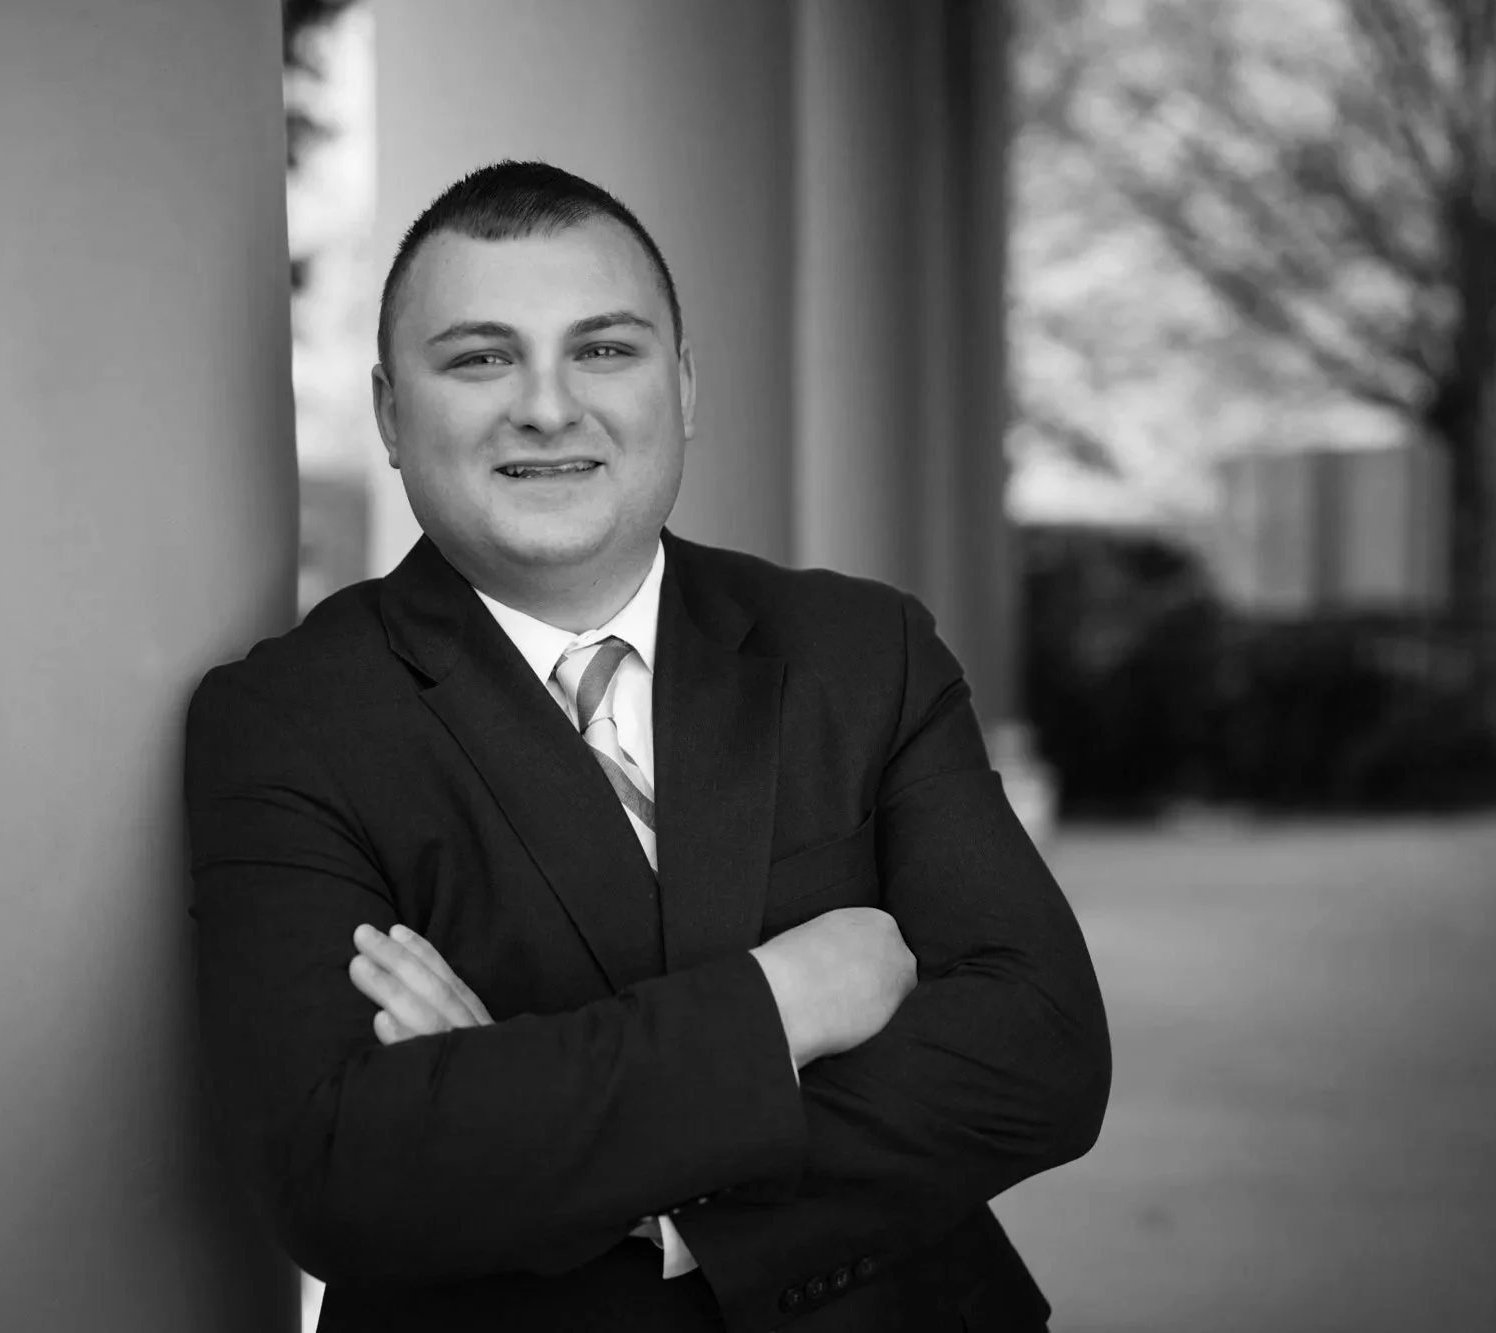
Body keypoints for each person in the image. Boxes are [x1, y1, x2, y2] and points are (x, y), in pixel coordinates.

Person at [183, 160, 1111, 1333]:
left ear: (681, 388)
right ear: (387, 413)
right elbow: (342, 1169)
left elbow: (1039, 1054)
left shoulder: (861, 648)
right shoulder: (287, 720)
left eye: (604, 350)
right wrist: (783, 1001)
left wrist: (545, 1131)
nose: (548, 405)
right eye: (479, 357)